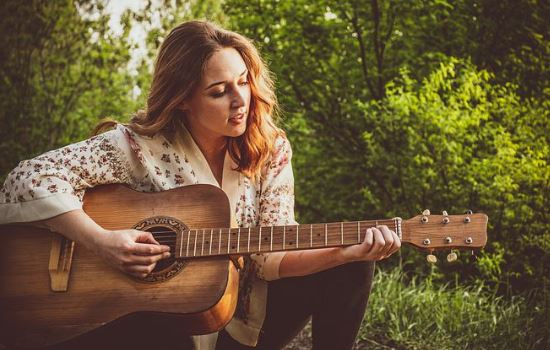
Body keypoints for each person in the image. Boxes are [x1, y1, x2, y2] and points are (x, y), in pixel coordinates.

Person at [0, 20, 400, 350]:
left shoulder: (271, 148)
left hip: (243, 326)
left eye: (243, 82)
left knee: (354, 268)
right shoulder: (136, 147)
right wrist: (100, 241)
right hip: (163, 329)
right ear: (182, 100)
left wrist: (341, 254)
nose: (240, 100)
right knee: (151, 319)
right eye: (219, 91)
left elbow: (269, 258)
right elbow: (26, 178)